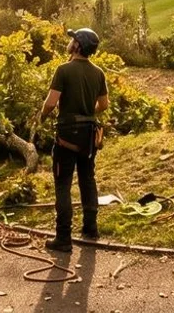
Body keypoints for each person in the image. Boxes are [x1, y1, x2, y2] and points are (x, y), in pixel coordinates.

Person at [39, 27, 108, 252]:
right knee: (88, 179)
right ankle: (90, 228)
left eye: (73, 40)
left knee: (63, 184)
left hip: (66, 135)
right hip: (88, 134)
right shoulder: (98, 73)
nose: (70, 43)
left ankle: (63, 237)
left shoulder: (64, 70)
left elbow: (51, 103)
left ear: (77, 46)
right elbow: (104, 105)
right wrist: (88, 112)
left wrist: (42, 116)